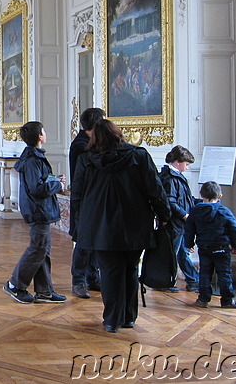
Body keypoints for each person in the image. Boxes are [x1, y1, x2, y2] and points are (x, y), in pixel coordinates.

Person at [70, 119, 170, 332]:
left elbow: (77, 196)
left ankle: (112, 319)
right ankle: (128, 317)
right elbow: (155, 189)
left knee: (109, 271)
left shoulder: (86, 160)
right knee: (131, 268)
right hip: (134, 223)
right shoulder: (139, 156)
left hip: (99, 227)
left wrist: (78, 227)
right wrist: (164, 214)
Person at [4, 121, 67, 305]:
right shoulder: (33, 159)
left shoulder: (35, 157)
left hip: (40, 208)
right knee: (38, 248)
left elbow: (40, 180)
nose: (46, 133)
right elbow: (37, 187)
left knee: (43, 250)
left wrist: (54, 180)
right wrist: (58, 185)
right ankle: (15, 284)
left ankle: (44, 290)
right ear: (40, 136)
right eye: (44, 131)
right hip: (38, 209)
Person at [185, 181, 236, 309]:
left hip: (204, 248)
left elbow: (189, 229)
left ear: (201, 195)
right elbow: (234, 229)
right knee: (224, 274)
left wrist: (188, 244)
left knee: (204, 273)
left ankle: (203, 299)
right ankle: (227, 300)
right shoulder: (224, 211)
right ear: (220, 196)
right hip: (222, 248)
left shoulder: (195, 211)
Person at [68, 107, 105, 299]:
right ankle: (79, 280)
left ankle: (92, 277)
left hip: (93, 198)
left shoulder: (87, 142)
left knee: (93, 240)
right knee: (83, 243)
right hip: (84, 199)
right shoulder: (81, 145)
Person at [159, 145, 199, 292]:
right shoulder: (170, 178)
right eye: (186, 164)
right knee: (172, 254)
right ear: (178, 162)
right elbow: (171, 202)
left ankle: (194, 280)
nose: (187, 167)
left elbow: (185, 199)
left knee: (182, 253)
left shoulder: (176, 177)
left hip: (179, 223)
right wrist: (185, 214)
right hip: (175, 223)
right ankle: (164, 282)